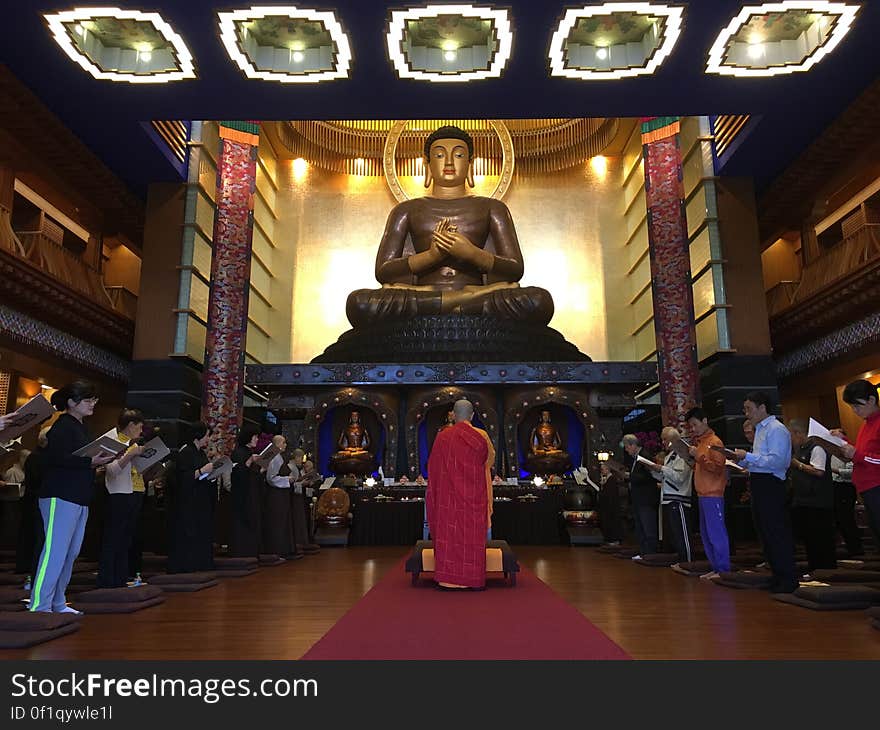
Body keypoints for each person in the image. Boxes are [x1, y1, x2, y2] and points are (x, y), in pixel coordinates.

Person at [345, 125, 553, 329]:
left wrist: (472, 254)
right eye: (439, 155)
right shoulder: (405, 210)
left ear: (470, 164)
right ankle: (463, 300)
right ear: (428, 165)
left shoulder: (493, 208)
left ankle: (442, 303)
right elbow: (384, 271)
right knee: (359, 303)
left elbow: (515, 269)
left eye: (459, 155)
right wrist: (431, 256)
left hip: (453, 296)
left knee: (539, 300)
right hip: (429, 293)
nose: (450, 162)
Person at [29, 382, 115, 613]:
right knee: (55, 551)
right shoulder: (62, 426)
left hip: (78, 494)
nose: (92, 405)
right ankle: (40, 604)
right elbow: (55, 460)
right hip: (60, 494)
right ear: (71, 403)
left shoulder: (81, 427)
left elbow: (75, 461)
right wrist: (90, 462)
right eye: (88, 400)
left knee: (71, 552)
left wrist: (95, 463)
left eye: (93, 400)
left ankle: (58, 602)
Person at [426, 399, 494, 589]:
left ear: (453, 415)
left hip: (448, 498)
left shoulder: (443, 437)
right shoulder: (480, 437)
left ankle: (448, 579)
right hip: (473, 497)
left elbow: (432, 467)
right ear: (472, 416)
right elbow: (486, 463)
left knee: (449, 536)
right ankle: (471, 579)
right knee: (471, 538)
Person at [733, 392, 797, 593]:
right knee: (765, 533)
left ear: (762, 408)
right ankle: (777, 575)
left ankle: (787, 579)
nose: (746, 413)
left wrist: (749, 457)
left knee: (776, 532)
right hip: (760, 482)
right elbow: (760, 458)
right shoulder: (760, 429)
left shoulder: (776, 429)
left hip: (772, 484)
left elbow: (778, 461)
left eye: (749, 409)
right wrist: (741, 460)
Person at [98, 409, 145, 588]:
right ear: (131, 425)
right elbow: (112, 470)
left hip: (135, 491)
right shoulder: (113, 440)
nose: (141, 431)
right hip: (118, 494)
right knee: (113, 537)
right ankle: (108, 579)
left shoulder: (134, 444)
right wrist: (130, 455)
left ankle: (121, 577)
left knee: (126, 538)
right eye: (139, 427)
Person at [788, 419, 836, 575]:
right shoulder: (801, 449)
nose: (791, 440)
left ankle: (826, 570)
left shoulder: (817, 448)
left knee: (821, 538)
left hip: (818, 501)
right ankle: (814, 569)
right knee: (810, 539)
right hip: (804, 500)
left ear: (799, 433)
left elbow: (819, 471)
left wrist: (798, 464)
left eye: (792, 436)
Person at [686, 408, 730, 579]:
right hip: (703, 494)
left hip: (713, 494)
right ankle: (715, 567)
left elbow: (718, 468)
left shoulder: (715, 442)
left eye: (695, 425)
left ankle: (723, 569)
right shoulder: (701, 443)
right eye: (691, 426)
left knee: (716, 533)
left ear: (704, 421)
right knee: (707, 534)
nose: (693, 429)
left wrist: (698, 457)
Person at [168, 421, 216, 573]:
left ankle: (200, 564)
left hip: (200, 500)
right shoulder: (186, 452)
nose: (208, 439)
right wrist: (202, 471)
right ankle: (187, 566)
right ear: (199, 435)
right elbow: (181, 478)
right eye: (207, 436)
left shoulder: (200, 453)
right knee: (188, 533)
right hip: (188, 502)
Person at [839, 379, 880, 553]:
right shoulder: (867, 424)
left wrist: (856, 454)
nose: (855, 411)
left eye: (857, 406)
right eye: (852, 407)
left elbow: (869, 457)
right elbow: (862, 453)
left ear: (871, 400)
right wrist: (842, 442)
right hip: (866, 487)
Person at [646, 427, 693, 564]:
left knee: (682, 534)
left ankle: (687, 562)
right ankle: (680, 560)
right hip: (668, 498)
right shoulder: (668, 456)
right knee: (674, 534)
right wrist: (653, 471)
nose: (663, 442)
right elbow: (665, 478)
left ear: (674, 440)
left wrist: (662, 469)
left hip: (679, 499)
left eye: (665, 439)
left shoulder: (683, 455)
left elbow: (679, 478)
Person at [16, 429, 48, 584]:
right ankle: (29, 570)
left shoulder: (36, 457)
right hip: (35, 501)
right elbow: (37, 480)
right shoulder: (37, 458)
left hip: (34, 500)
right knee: (34, 537)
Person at [622, 434, 658, 559]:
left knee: (648, 526)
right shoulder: (636, 458)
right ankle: (643, 552)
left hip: (646, 498)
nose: (626, 450)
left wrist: (630, 477)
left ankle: (650, 553)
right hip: (638, 498)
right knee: (640, 526)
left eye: (627, 447)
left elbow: (649, 475)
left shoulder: (644, 456)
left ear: (633, 445)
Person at [263, 434, 299, 559]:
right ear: (276, 444)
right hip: (275, 495)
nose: (285, 445)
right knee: (277, 522)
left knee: (283, 520)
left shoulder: (279, 457)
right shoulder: (274, 457)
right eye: (283, 442)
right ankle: (276, 551)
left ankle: (284, 550)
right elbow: (271, 478)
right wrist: (287, 479)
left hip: (282, 494)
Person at [829, 430, 863, 557]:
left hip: (846, 487)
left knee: (846, 519)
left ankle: (856, 549)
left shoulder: (849, 450)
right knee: (838, 519)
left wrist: (832, 470)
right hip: (835, 486)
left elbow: (851, 471)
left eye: (835, 434)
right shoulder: (832, 451)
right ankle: (848, 547)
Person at [230, 425, 262, 558]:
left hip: (252, 492)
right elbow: (238, 473)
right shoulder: (239, 452)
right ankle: (241, 551)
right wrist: (250, 461)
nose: (257, 439)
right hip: (242, 494)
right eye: (255, 437)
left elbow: (254, 474)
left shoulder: (249, 451)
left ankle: (252, 551)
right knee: (243, 520)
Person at [598, 461, 624, 546]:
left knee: (612, 522)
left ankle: (613, 539)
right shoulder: (608, 479)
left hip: (611, 505)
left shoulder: (612, 479)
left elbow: (609, 494)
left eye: (603, 469)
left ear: (608, 469)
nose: (601, 471)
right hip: (609, 505)